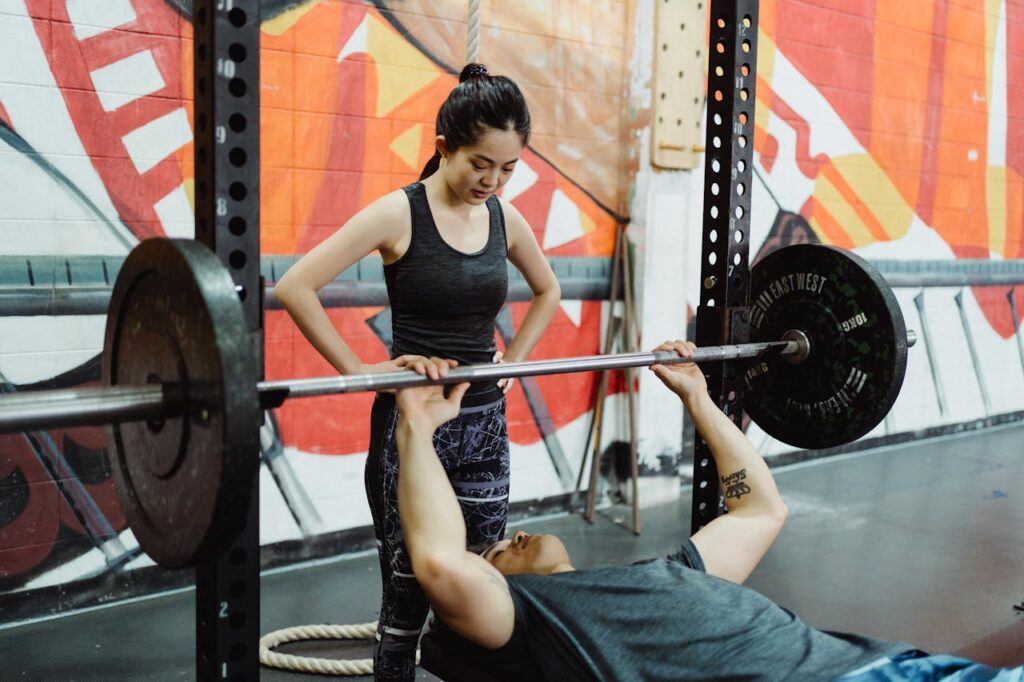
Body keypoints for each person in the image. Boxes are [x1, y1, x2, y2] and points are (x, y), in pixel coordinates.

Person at [392, 343, 1024, 682]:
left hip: (904, 665)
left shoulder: (668, 571)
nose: (514, 535)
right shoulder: (531, 625)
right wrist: (415, 430)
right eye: (497, 551)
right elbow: (443, 564)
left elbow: (759, 511)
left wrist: (698, 397)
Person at [275, 63, 561, 681]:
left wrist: (514, 358)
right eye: (480, 163)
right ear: (443, 148)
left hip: (485, 426)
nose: (492, 180)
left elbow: (547, 289)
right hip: (413, 432)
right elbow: (295, 286)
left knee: (484, 592)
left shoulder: (505, 220)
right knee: (405, 610)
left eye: (508, 167)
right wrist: (362, 372)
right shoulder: (399, 214)